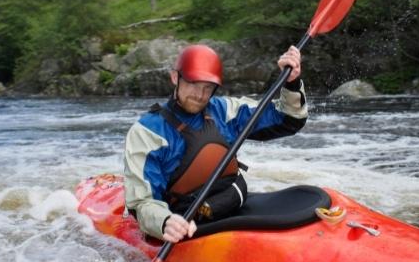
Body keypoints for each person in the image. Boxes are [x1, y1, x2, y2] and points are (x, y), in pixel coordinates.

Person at [123, 44, 307, 243]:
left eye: (208, 87)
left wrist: (291, 83)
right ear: (175, 77)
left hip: (229, 203)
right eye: (194, 84)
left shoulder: (224, 111)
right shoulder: (147, 132)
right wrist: (165, 221)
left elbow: (288, 119)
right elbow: (142, 202)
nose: (200, 95)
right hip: (185, 224)